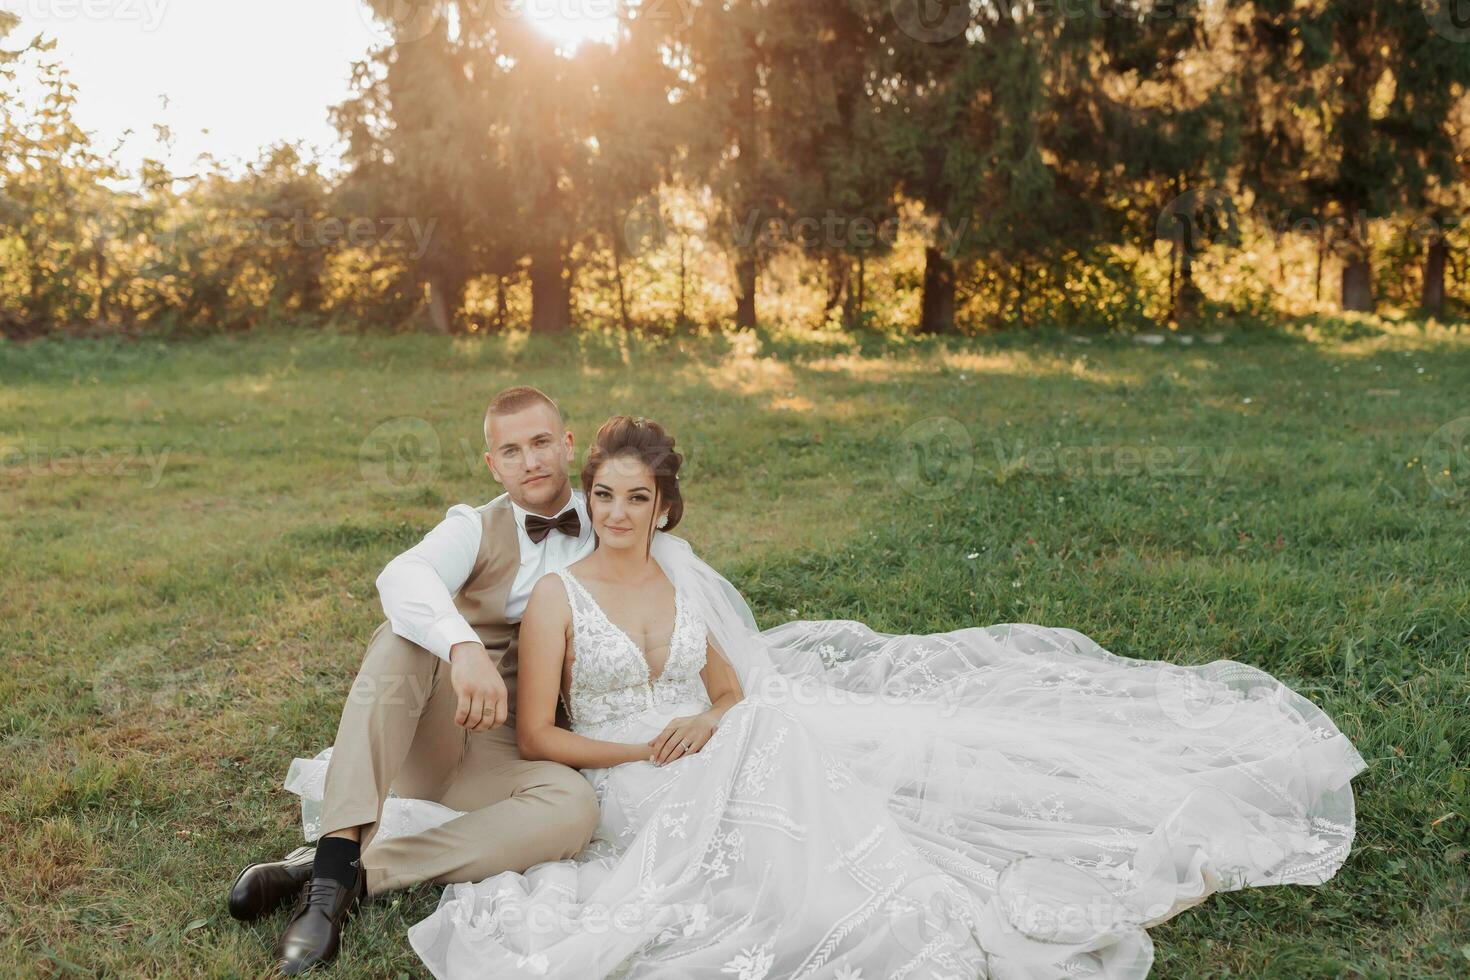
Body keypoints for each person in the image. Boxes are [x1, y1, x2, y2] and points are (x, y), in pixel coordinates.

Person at [287, 414, 1368, 979]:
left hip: (672, 747)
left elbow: (720, 682)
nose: (615, 512)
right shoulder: (549, 584)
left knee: (777, 730)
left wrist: (712, 719)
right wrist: (654, 747)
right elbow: (537, 723)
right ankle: (331, 874)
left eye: (634, 497)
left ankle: (864, 876)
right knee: (730, 819)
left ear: (659, 503)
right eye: (603, 496)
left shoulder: (680, 570)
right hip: (594, 760)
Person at [230, 386, 604, 975]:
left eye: (540, 443)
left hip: (510, 756)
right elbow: (403, 574)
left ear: (567, 443)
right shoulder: (475, 526)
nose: (529, 461)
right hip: (435, 736)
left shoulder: (609, 518)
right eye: (511, 451)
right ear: (492, 463)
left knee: (576, 808)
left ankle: (340, 876)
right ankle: (334, 867)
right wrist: (463, 645)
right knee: (399, 638)